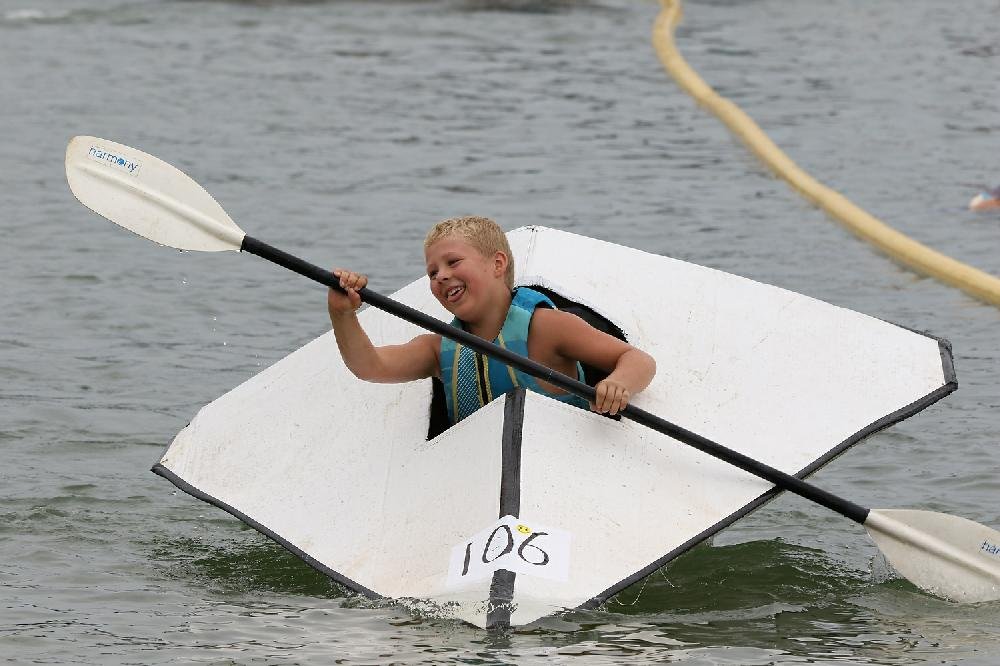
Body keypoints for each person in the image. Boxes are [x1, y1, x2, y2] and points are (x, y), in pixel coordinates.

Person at [327, 216, 656, 424]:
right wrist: (342, 315)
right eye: (432, 272)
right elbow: (370, 367)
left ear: (498, 264)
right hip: (476, 482)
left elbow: (636, 359)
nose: (441, 275)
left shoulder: (548, 327)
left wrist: (620, 383)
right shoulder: (438, 348)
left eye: (453, 262)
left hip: (566, 470)